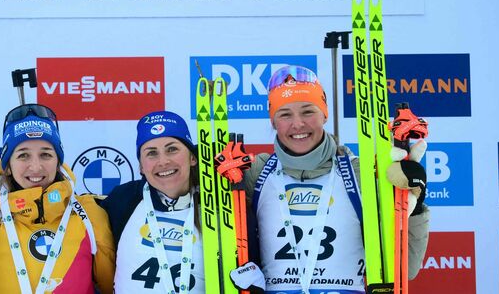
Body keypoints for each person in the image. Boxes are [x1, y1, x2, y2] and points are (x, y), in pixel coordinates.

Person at [237, 65, 430, 294]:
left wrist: (414, 205)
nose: (298, 124)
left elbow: (405, 269)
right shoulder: (255, 173)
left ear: (324, 113)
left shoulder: (360, 174)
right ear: (273, 121)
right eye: (285, 114)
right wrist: (208, 168)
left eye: (308, 111)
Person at [0, 104, 115, 294]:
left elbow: (115, 287)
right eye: (23, 155)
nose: (35, 166)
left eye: (46, 154)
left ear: (58, 161)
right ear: (7, 165)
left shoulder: (89, 213)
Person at [100, 111, 206, 293]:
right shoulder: (123, 199)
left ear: (192, 157)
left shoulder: (217, 201)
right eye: (151, 153)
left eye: (172, 149)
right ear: (141, 166)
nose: (163, 161)